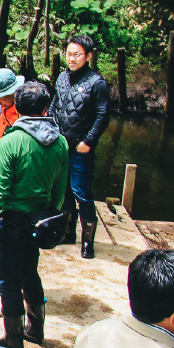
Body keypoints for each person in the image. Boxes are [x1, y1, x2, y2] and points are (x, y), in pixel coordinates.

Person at [0, 81, 69, 348]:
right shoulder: (60, 141)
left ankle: (12, 339)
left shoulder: (12, 140)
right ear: (45, 108)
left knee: (7, 280)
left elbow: (0, 189)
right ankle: (36, 330)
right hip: (40, 220)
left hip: (14, 219)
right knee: (30, 273)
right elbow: (60, 189)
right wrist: (50, 215)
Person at [53, 34, 110, 259]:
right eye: (69, 54)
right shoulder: (62, 78)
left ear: (88, 56)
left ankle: (88, 242)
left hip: (80, 148)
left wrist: (89, 141)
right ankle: (67, 233)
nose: (72, 59)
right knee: (64, 190)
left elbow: (103, 116)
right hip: (61, 145)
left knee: (81, 193)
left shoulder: (97, 83)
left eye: (77, 55)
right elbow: (55, 105)